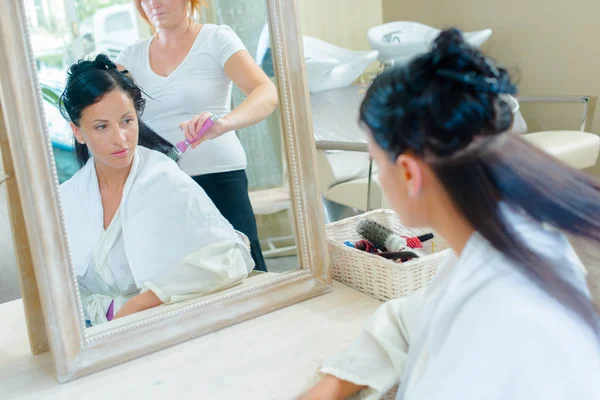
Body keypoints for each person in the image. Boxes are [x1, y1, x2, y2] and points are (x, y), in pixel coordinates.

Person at [301, 29, 600, 399]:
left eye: (377, 162)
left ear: (409, 173)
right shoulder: (504, 241)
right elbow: (407, 319)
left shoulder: (503, 315)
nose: (379, 175)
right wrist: (333, 385)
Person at [59, 54, 254, 326]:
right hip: (88, 332)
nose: (120, 138)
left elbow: (231, 258)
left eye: (127, 121)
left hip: (157, 323)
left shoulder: (163, 178)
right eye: (102, 127)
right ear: (78, 132)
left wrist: (142, 302)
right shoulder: (67, 198)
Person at [114, 0, 279, 272]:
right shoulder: (131, 57)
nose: (153, 3)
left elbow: (265, 92)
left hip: (221, 178)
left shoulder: (216, 39)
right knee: (182, 279)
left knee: (244, 272)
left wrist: (224, 124)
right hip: (164, 186)